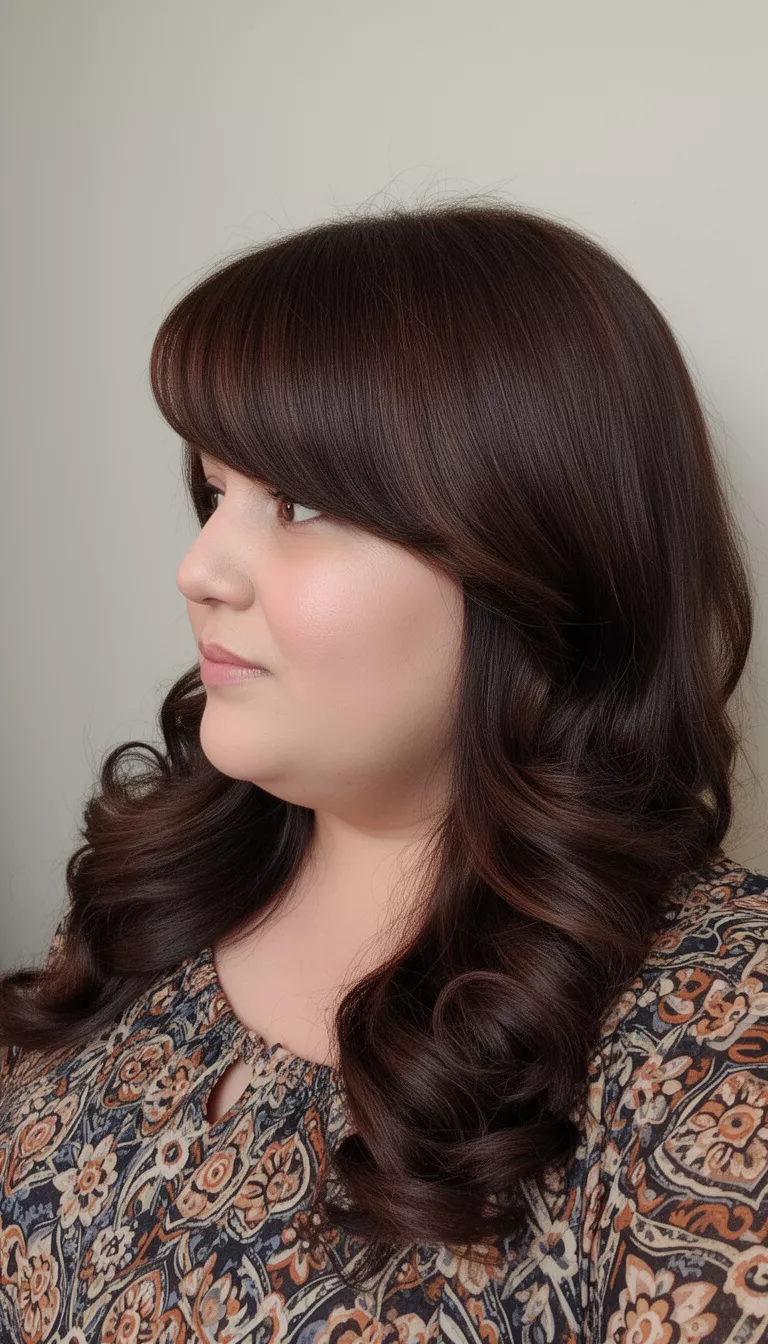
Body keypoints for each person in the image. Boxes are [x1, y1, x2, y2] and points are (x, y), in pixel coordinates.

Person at [1, 198, 767, 1342]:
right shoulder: (160, 878)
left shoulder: (720, 1037)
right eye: (215, 492)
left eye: (299, 501)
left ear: (538, 547)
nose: (201, 567)